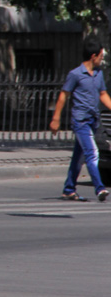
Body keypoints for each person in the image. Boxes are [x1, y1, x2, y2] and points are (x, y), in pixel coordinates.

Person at [49, 36, 111, 201]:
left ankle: (69, 189)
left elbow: (103, 95)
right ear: (93, 56)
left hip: (93, 120)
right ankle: (99, 188)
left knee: (79, 156)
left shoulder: (98, 74)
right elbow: (63, 96)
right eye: (100, 56)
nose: (101, 59)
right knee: (92, 153)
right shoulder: (75, 74)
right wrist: (56, 118)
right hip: (80, 121)